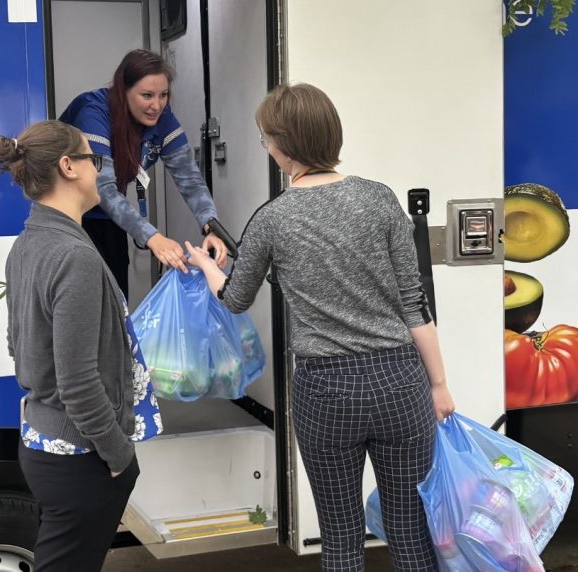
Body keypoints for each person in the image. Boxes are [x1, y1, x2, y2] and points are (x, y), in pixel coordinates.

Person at [186, 83, 456, 572]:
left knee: (341, 538)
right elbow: (414, 304)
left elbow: (235, 298)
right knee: (410, 531)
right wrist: (438, 384)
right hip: (400, 381)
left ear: (283, 146)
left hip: (326, 389)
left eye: (266, 140)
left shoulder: (272, 219)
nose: (266, 149)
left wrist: (206, 264)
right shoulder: (379, 199)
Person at [0, 120, 162, 572]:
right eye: (94, 159)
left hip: (45, 442)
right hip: (82, 457)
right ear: (69, 167)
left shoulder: (27, 245)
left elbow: (18, 344)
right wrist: (120, 455)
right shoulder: (73, 256)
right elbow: (79, 380)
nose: (99, 172)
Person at [59, 48, 227, 298]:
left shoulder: (163, 118)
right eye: (147, 95)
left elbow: (190, 179)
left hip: (108, 220)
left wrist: (211, 226)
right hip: (68, 218)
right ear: (122, 90)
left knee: (117, 305)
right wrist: (154, 238)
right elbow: (102, 188)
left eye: (164, 95)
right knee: (83, 302)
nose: (156, 106)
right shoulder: (93, 112)